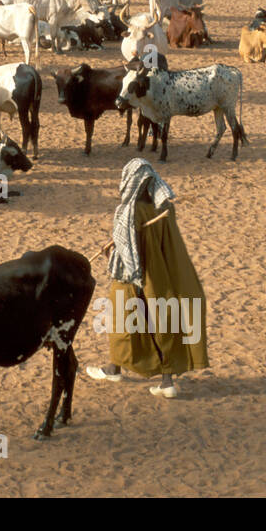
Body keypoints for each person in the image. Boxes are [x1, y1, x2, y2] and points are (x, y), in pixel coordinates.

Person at [85, 158, 208, 398]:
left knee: (122, 320)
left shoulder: (127, 210)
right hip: (163, 273)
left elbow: (127, 253)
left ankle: (114, 369)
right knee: (161, 321)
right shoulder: (164, 207)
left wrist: (111, 253)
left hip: (134, 276)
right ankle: (166, 382)